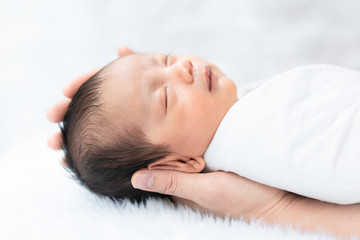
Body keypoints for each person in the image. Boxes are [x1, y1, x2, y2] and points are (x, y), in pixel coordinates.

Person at [47, 46, 360, 238]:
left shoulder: (244, 111)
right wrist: (274, 209)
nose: (181, 68)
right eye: (167, 98)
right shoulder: (253, 136)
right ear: (179, 165)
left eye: (165, 58)